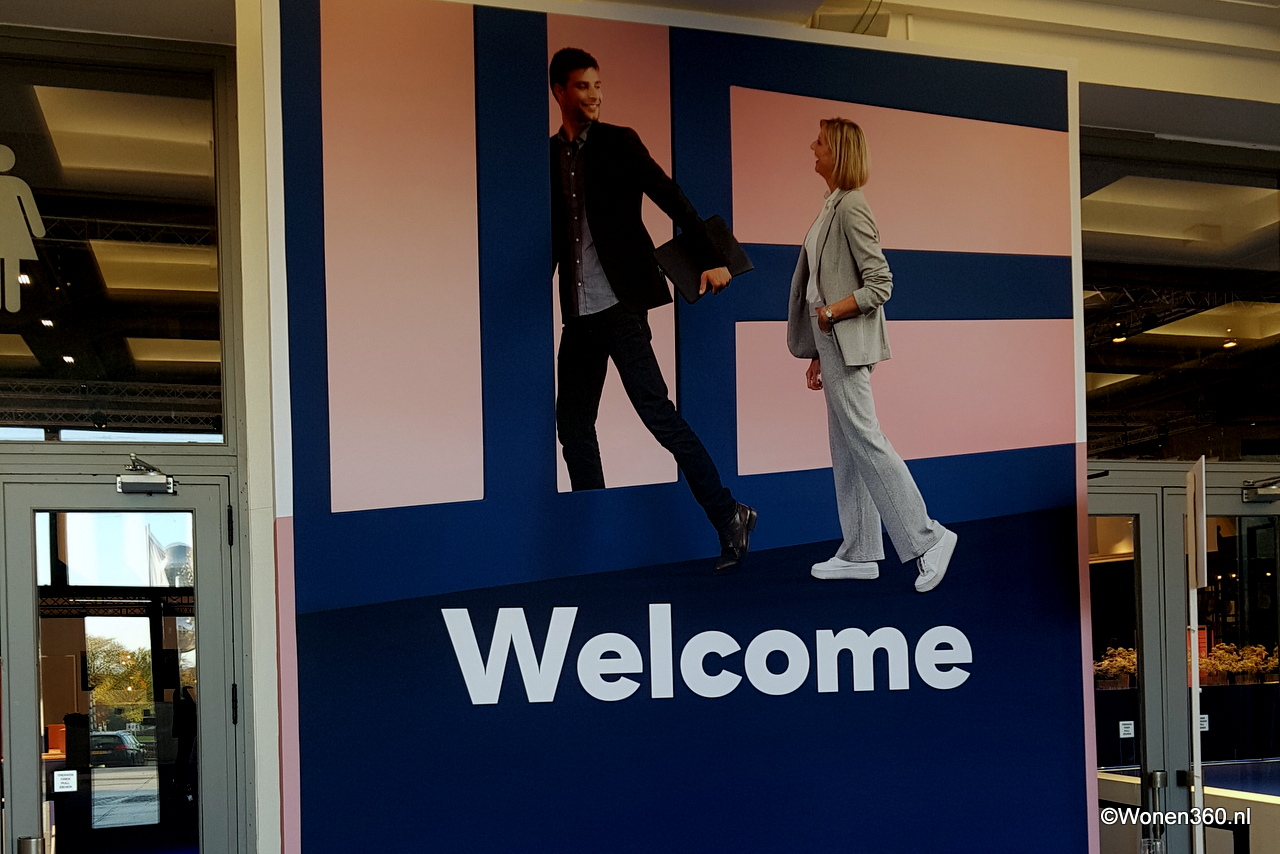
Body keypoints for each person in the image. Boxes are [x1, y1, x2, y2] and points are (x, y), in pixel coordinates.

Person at [548, 47, 755, 573]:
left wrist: (713, 258)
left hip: (622, 306)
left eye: (598, 85)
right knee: (573, 427)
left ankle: (728, 514)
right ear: (559, 92)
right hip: (579, 315)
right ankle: (592, 535)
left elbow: (671, 197)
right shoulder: (548, 156)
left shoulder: (619, 142)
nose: (594, 95)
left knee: (657, 414)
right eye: (582, 86)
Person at [786, 118, 957, 591]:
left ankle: (928, 538)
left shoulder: (852, 206)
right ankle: (860, 550)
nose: (812, 146)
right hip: (830, 341)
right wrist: (817, 350)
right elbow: (821, 282)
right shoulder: (831, 205)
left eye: (820, 141)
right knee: (847, 446)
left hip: (842, 337)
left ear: (838, 152)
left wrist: (830, 315)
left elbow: (880, 283)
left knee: (865, 439)